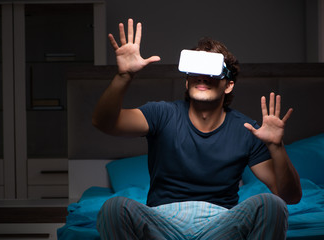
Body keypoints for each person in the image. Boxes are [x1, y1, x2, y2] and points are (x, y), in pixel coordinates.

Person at [92, 18, 302, 240]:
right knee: (114, 208)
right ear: (186, 80)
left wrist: (276, 147)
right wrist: (124, 76)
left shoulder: (247, 129)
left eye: (212, 70)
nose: (203, 76)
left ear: (228, 84)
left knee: (271, 204)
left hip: (222, 225)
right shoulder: (162, 114)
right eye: (196, 70)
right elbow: (104, 122)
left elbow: (289, 197)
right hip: (161, 224)